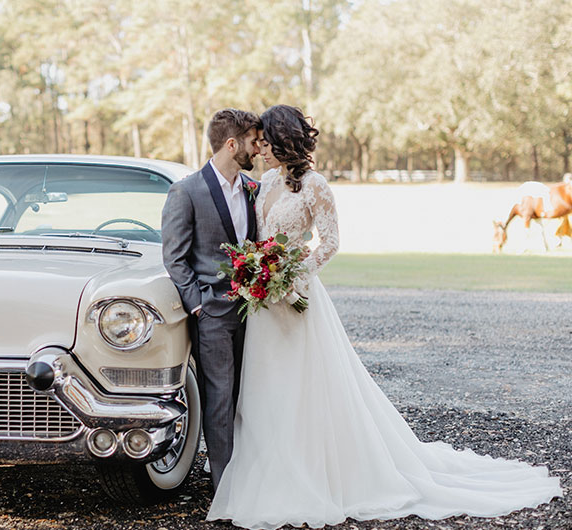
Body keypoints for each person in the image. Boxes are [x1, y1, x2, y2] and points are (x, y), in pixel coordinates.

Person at [207, 104, 562, 529]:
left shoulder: (316, 186)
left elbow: (330, 241)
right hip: (266, 305)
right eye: (258, 142)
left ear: (284, 140)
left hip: (298, 297)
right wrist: (260, 273)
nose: (260, 148)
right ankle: (269, 468)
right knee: (266, 388)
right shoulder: (264, 182)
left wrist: (294, 274)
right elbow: (258, 237)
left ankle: (316, 473)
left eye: (266, 141)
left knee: (303, 387)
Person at [161, 108, 261, 489]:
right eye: (253, 141)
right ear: (232, 144)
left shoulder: (253, 189)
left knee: (249, 395)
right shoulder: (186, 191)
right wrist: (198, 305)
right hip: (213, 314)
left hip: (255, 310)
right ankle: (226, 490)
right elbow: (174, 257)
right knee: (218, 401)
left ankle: (252, 476)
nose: (257, 148)